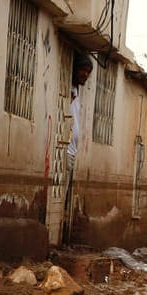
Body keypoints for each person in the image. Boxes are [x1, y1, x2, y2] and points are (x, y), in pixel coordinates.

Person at [62, 54, 93, 240]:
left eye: (88, 72)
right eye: (83, 70)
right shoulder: (68, 89)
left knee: (66, 195)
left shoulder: (77, 91)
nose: (85, 74)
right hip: (64, 150)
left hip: (72, 151)